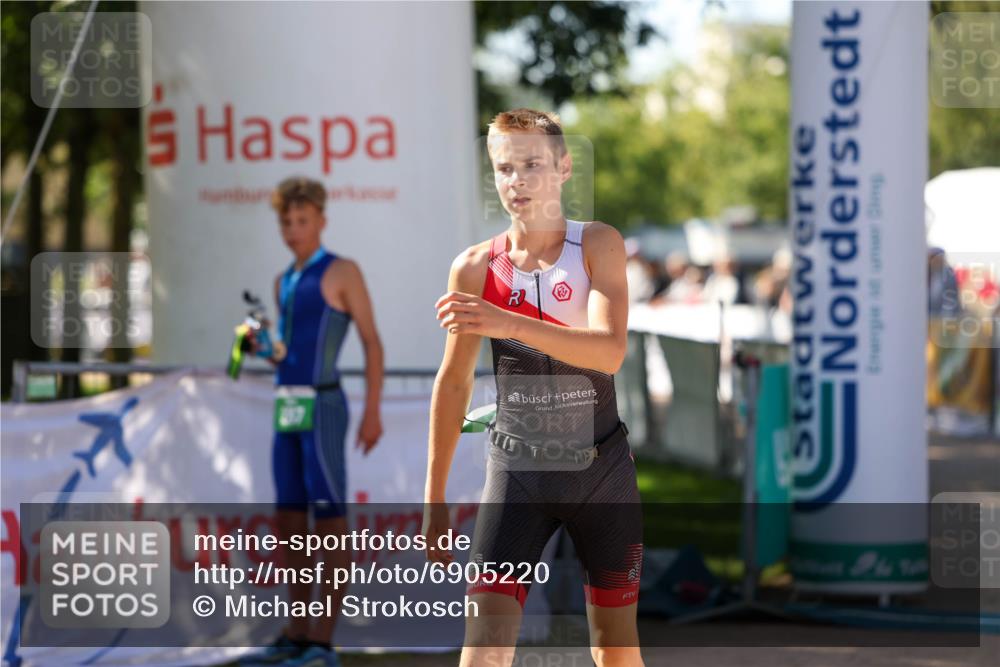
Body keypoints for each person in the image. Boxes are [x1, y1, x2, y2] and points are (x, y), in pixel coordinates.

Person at [422, 109, 644, 667]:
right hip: (517, 474)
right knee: (483, 654)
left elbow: (609, 351)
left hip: (602, 472)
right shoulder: (474, 267)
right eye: (504, 168)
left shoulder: (598, 244)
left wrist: (507, 323)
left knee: (614, 653)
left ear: (564, 168)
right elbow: (452, 385)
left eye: (532, 165)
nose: (517, 180)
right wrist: (434, 497)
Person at [241, 176, 384, 667]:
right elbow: (285, 352)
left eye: (302, 220)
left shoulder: (342, 271)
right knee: (288, 523)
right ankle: (297, 633)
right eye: (286, 221)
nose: (293, 229)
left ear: (321, 221)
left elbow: (371, 341)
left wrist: (372, 411)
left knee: (329, 524)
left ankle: (323, 642)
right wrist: (258, 344)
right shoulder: (284, 280)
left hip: (324, 406)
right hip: (288, 405)